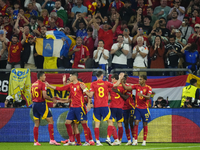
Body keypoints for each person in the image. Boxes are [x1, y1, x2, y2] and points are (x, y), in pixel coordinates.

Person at [46, 72, 90, 146]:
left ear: (74, 77)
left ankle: (87, 141)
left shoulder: (81, 84)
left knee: (84, 123)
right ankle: (72, 141)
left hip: (80, 107)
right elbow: (60, 88)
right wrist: (49, 85)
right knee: (67, 123)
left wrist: (89, 104)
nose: (69, 78)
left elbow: (89, 95)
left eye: (70, 76)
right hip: (72, 107)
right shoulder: (70, 85)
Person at [81, 71, 124, 146]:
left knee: (97, 124)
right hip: (104, 106)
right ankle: (108, 138)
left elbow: (90, 95)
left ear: (96, 76)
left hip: (96, 107)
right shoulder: (106, 83)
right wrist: (120, 78)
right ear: (102, 76)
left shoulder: (93, 84)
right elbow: (116, 84)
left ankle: (97, 141)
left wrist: (84, 89)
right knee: (110, 122)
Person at [122, 74, 152, 146]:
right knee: (136, 122)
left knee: (145, 123)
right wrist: (122, 82)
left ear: (144, 80)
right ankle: (135, 140)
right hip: (137, 108)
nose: (139, 81)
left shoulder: (148, 88)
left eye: (141, 79)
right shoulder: (136, 86)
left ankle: (144, 141)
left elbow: (148, 97)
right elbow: (126, 87)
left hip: (145, 108)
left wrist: (143, 95)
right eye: (139, 79)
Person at [31, 71, 60, 146]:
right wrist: (52, 99)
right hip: (41, 104)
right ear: (40, 77)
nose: (45, 77)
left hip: (34, 105)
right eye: (44, 76)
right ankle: (52, 140)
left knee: (36, 124)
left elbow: (31, 97)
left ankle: (35, 142)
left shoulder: (33, 84)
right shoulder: (43, 84)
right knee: (51, 121)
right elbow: (44, 96)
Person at [109, 74, 125, 145]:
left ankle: (116, 140)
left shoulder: (112, 86)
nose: (111, 80)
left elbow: (109, 97)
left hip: (113, 106)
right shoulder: (123, 86)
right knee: (119, 124)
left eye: (111, 79)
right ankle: (120, 140)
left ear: (114, 79)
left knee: (111, 123)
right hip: (120, 107)